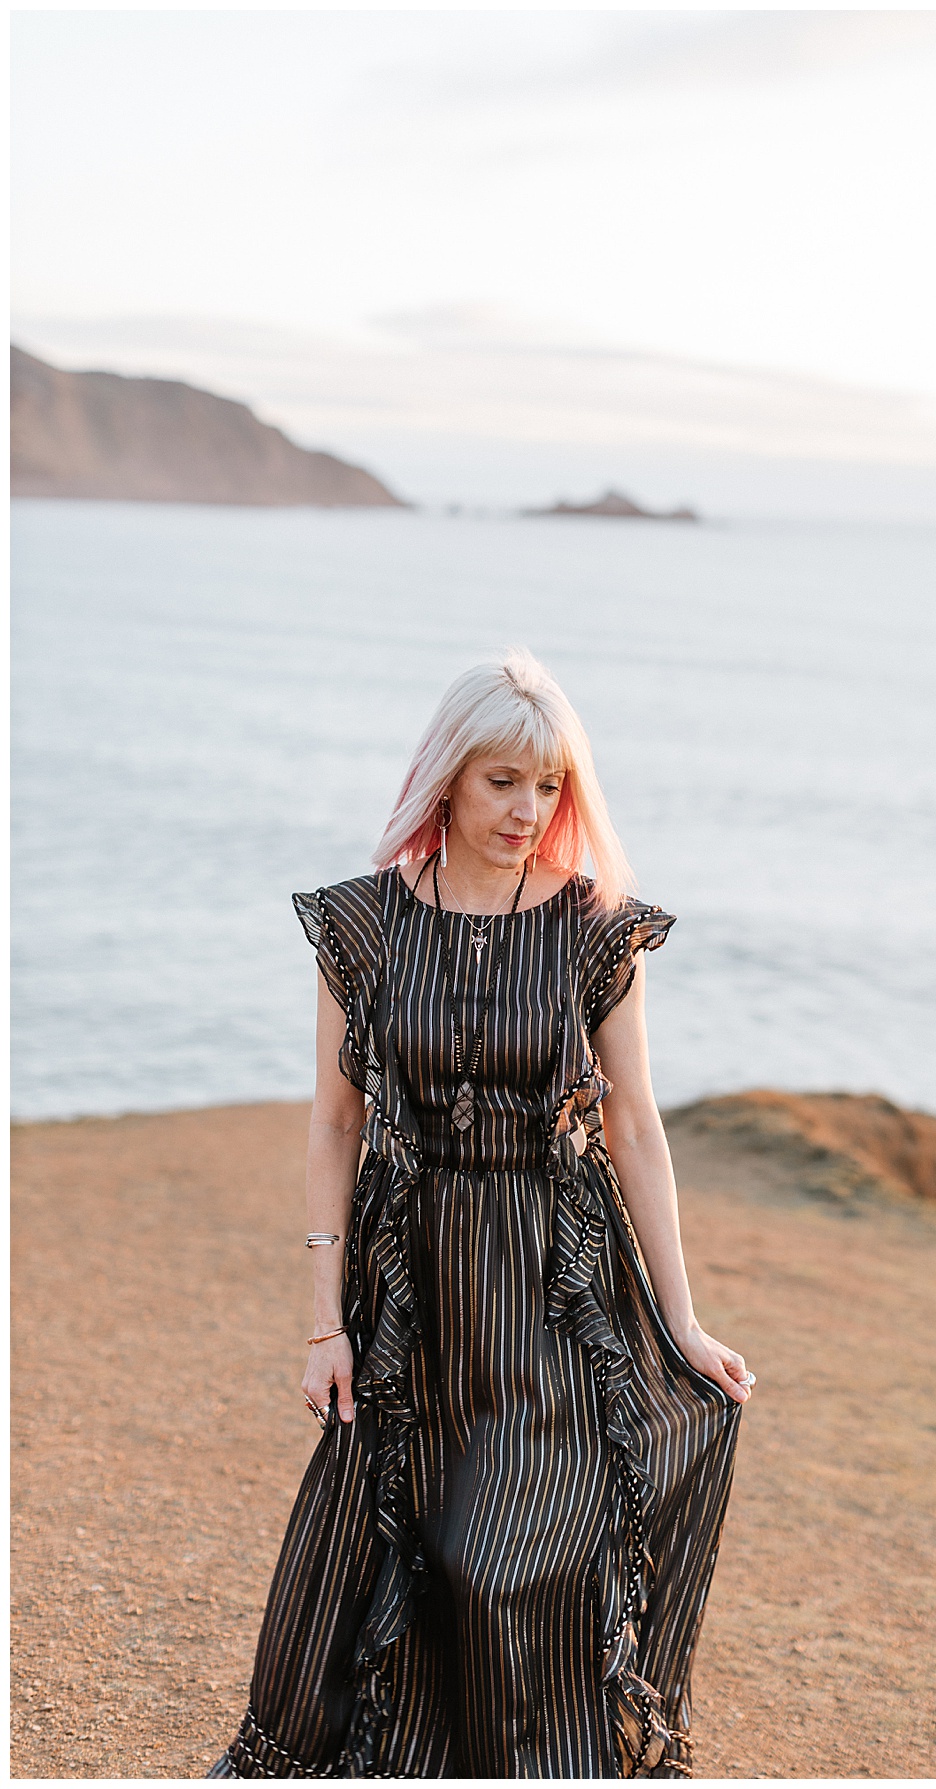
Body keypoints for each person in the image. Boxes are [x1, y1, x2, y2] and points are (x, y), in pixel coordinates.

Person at [210, 649, 752, 1780]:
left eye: (550, 786)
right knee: (387, 1559)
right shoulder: (359, 925)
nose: (529, 810)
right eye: (504, 780)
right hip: (411, 1283)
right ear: (446, 777)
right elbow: (334, 1125)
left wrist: (684, 1321)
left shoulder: (595, 927)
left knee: (497, 1562)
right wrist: (325, 1320)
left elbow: (637, 1126)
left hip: (553, 1283)